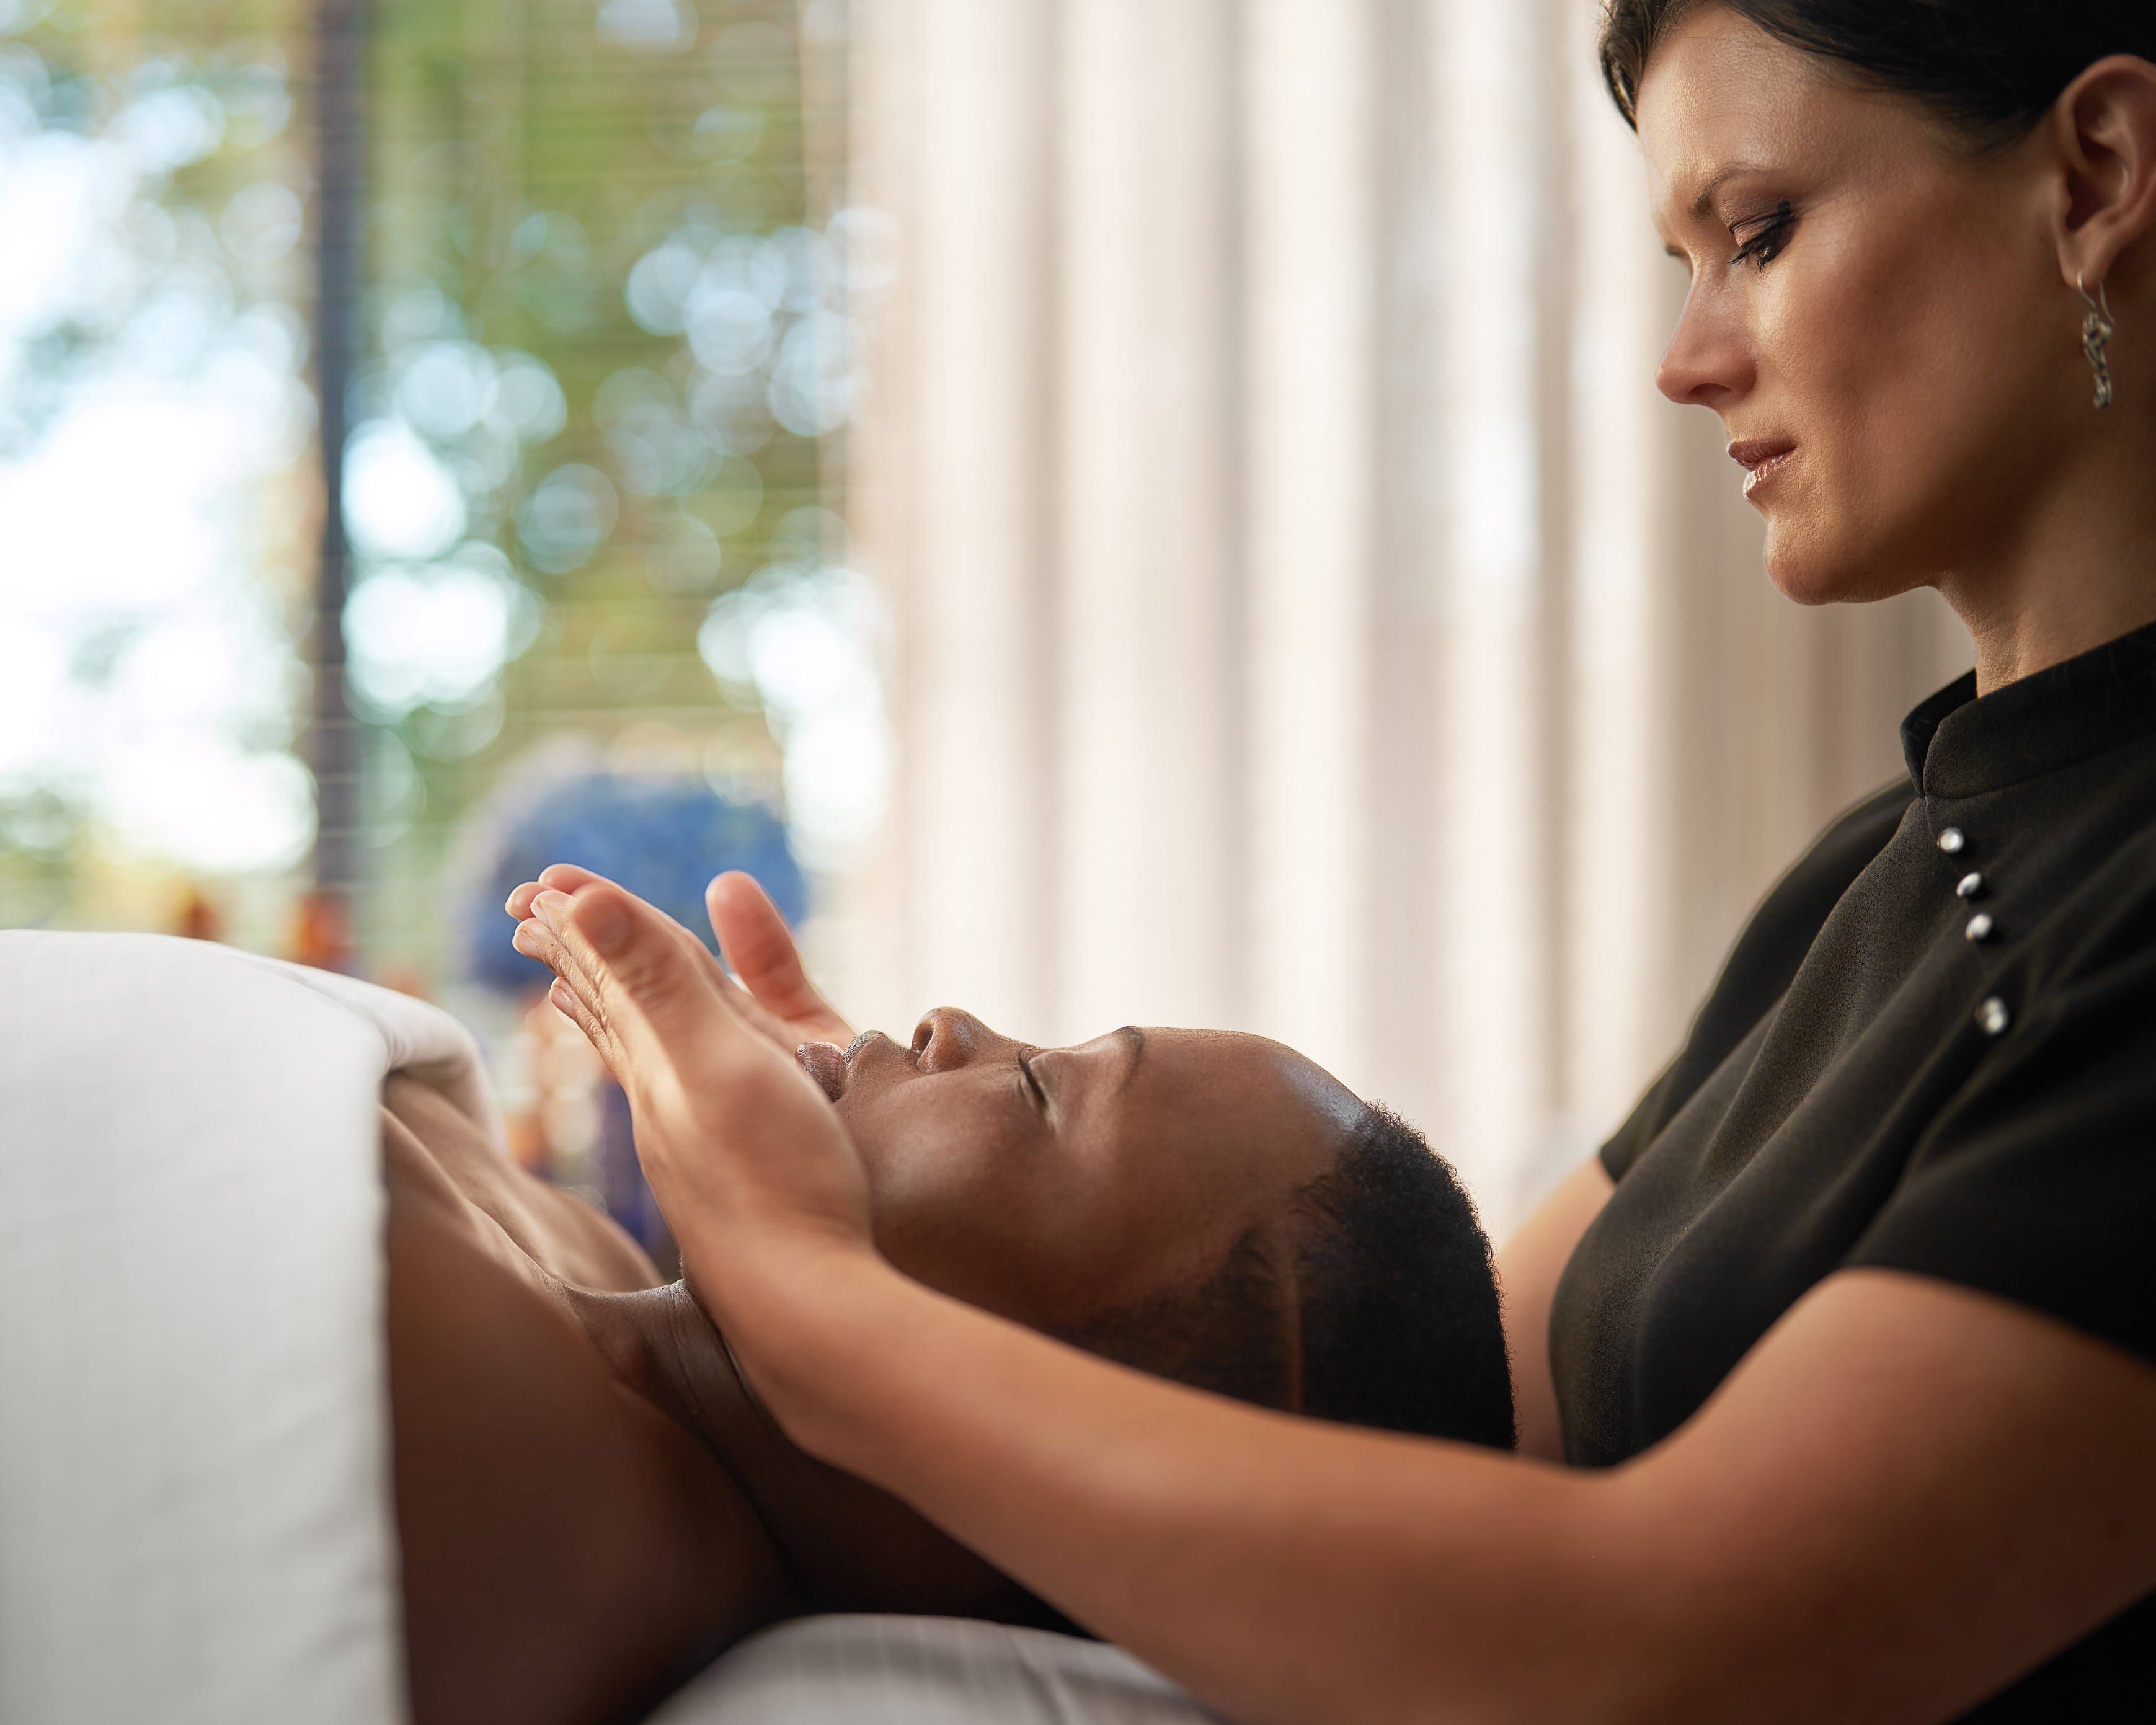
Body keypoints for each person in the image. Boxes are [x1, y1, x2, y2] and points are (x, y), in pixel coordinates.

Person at [508, 4, 2156, 1718]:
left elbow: (1693, 1637)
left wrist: (820, 1307)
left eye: (1756, 232)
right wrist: (906, 1195)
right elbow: (1437, 1411)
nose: (1683, 359)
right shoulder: (1875, 866)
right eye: (1682, 262)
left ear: (2091, 173)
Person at [384, 965, 1511, 1725]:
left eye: (1034, 1089)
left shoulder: (499, 1443)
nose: (950, 1026)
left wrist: (802, 1243)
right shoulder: (595, 1275)